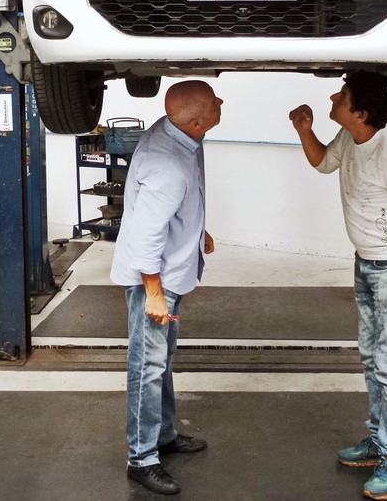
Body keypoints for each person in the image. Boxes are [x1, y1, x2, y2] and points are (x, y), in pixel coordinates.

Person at [288, 71, 387, 500]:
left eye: (342, 96)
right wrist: (304, 130)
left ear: (360, 112)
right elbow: (324, 162)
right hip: (367, 263)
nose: (333, 97)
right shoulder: (351, 135)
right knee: (373, 357)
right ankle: (378, 441)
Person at [111, 79, 223, 496]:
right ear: (196, 122)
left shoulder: (179, 133)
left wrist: (196, 229)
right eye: (213, 103)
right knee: (148, 366)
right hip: (152, 278)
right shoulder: (168, 166)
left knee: (162, 358)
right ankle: (141, 459)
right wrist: (154, 294)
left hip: (168, 271)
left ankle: (163, 434)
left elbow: (167, 208)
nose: (221, 102)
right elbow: (147, 234)